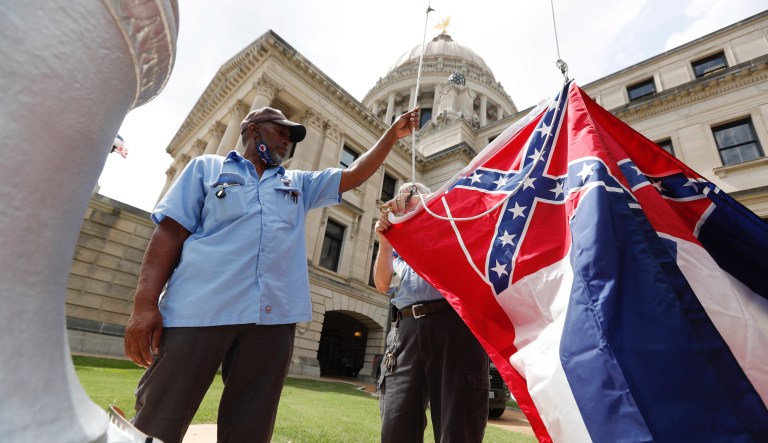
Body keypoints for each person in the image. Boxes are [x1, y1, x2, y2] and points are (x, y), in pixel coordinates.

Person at [123, 105, 420, 443]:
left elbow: (353, 174)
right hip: (197, 312)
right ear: (253, 129)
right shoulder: (206, 169)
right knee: (158, 419)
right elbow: (169, 235)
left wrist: (391, 136)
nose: (286, 141)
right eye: (281, 131)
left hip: (272, 321)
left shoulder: (298, 184)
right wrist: (144, 306)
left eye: (290, 137)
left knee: (250, 427)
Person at [374, 182, 490, 443]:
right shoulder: (397, 247)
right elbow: (383, 284)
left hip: (453, 326)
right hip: (406, 330)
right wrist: (384, 242)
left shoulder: (451, 225)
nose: (405, 196)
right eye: (401, 194)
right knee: (396, 422)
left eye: (413, 192)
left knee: (457, 425)